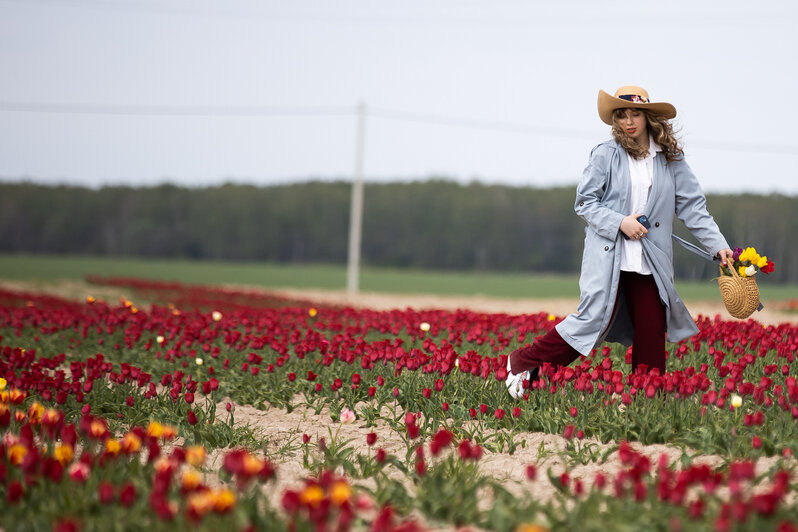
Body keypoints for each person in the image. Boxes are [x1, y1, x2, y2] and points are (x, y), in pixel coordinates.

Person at [505, 85, 733, 399]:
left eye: (635, 113)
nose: (628, 121)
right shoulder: (605, 154)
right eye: (622, 114)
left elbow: (693, 207)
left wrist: (718, 245)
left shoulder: (670, 159)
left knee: (651, 331)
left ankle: (646, 400)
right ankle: (524, 361)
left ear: (649, 116)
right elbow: (585, 203)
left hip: (651, 260)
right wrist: (621, 222)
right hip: (609, 256)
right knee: (590, 323)